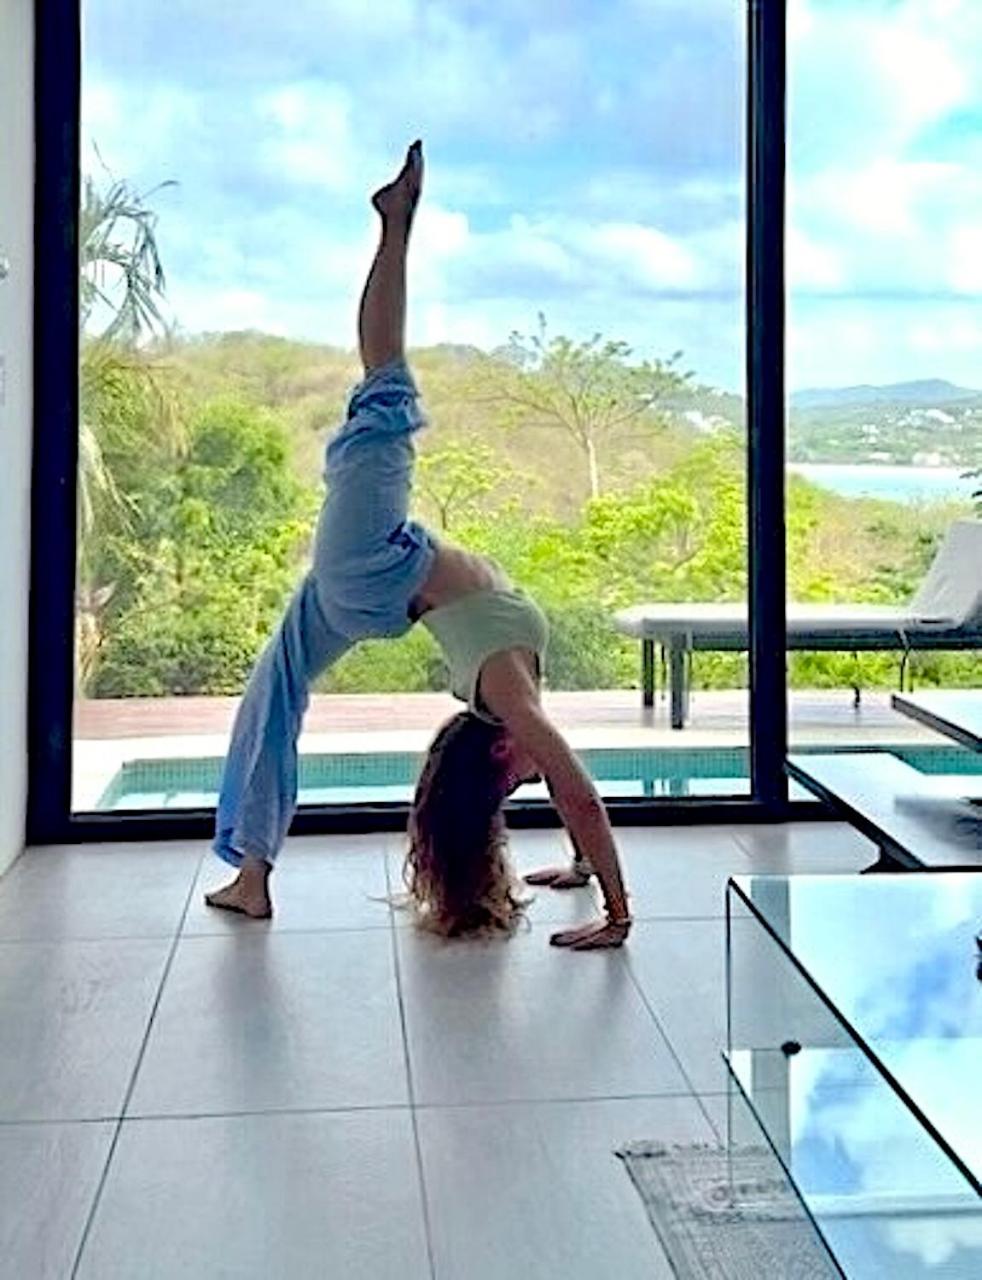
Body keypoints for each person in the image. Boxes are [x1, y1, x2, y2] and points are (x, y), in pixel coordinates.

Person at [204, 141, 631, 950]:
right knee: (274, 696)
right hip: (380, 589)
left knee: (387, 390)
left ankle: (394, 224)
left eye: (513, 786)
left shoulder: (509, 700)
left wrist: (619, 913)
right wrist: (580, 868)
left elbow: (576, 789)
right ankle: (250, 877)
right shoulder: (513, 702)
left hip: (376, 567)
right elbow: (565, 786)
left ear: (501, 753)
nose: (530, 781)